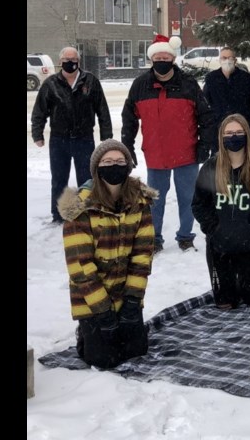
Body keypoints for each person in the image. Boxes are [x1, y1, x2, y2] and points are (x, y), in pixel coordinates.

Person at [58, 139, 156, 369]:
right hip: (91, 299)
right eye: (108, 161)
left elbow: (142, 256)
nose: (114, 165)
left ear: (128, 165)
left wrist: (132, 302)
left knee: (136, 351)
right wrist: (103, 311)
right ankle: (85, 332)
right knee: (103, 359)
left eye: (120, 161)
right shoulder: (79, 207)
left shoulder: (140, 201)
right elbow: (80, 267)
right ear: (96, 167)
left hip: (125, 293)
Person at [122, 35, 214, 252]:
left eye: (166, 57)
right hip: (156, 154)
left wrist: (204, 145)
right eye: (157, 57)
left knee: (188, 198)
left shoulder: (189, 84)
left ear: (173, 59)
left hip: (187, 154)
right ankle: (154, 239)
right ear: (152, 59)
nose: (161, 60)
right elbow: (129, 118)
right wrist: (128, 146)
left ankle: (185, 236)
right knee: (154, 201)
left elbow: (206, 117)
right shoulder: (140, 85)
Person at [192, 114, 250, 308]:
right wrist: (213, 229)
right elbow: (199, 204)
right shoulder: (210, 168)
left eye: (239, 132)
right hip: (219, 247)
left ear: (247, 135)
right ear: (222, 137)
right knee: (225, 303)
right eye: (229, 133)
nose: (234, 137)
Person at [31, 46, 113, 223]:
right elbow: (40, 111)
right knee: (59, 178)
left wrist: (106, 134)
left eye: (73, 60)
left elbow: (102, 109)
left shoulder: (90, 81)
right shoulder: (51, 83)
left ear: (79, 61)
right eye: (66, 60)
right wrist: (37, 133)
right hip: (59, 140)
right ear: (60, 62)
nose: (70, 63)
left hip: (84, 139)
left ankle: (86, 212)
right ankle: (59, 214)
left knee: (86, 178)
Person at [202, 47, 250, 140]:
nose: (227, 60)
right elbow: (205, 105)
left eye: (230, 58)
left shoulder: (246, 79)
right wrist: (212, 126)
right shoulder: (211, 79)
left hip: (241, 131)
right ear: (219, 60)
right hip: (218, 132)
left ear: (235, 60)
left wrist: (248, 125)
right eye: (224, 58)